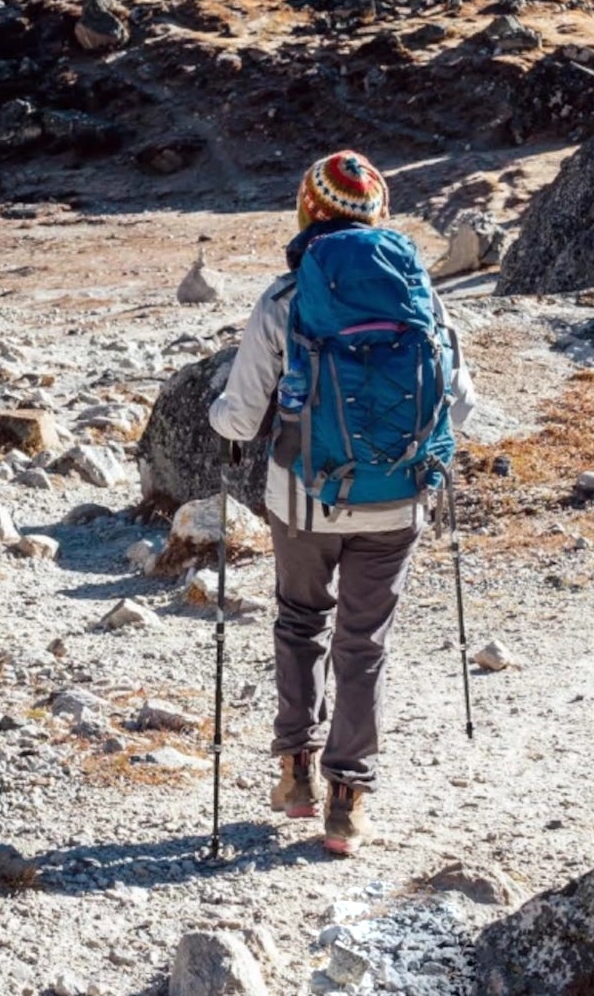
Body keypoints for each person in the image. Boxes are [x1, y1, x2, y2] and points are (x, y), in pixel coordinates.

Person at [208, 149, 474, 856]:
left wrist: (218, 420)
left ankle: (295, 773)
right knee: (364, 643)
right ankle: (347, 804)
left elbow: (238, 418)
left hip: (303, 498)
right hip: (396, 502)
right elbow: (461, 401)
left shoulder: (286, 297)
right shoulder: (421, 295)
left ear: (309, 214)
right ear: (378, 215)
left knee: (301, 621)